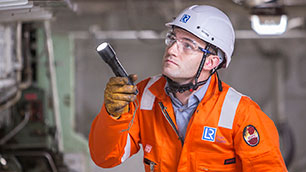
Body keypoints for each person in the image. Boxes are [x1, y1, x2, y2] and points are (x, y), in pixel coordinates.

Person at [89, 5, 288, 172]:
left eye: (188, 45)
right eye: (173, 39)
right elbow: (105, 157)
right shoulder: (144, 96)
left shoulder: (241, 114)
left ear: (211, 61)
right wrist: (112, 116)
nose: (172, 49)